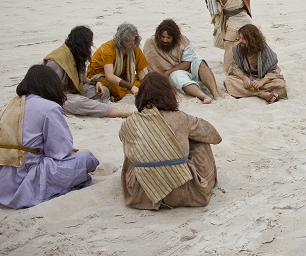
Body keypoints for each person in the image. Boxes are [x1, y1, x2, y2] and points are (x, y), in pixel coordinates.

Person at [0, 64, 99, 209]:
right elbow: (60, 151)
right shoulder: (49, 107)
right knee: (87, 158)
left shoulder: (12, 103)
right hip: (22, 177)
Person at [119, 72, 221, 210]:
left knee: (133, 152)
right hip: (183, 189)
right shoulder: (181, 118)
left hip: (142, 194)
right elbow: (214, 136)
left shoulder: (129, 123)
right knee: (200, 143)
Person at [206, 0, 291, 74]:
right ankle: (225, 71)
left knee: (254, 39)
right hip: (226, 18)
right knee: (228, 43)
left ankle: (266, 60)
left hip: (241, 17)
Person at [44, 26, 132, 118]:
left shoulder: (77, 55)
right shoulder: (56, 61)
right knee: (78, 102)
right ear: (82, 44)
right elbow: (50, 91)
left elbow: (83, 80)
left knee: (103, 91)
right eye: (90, 43)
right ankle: (118, 113)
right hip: (59, 97)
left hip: (74, 91)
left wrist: (96, 82)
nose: (91, 46)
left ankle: (95, 107)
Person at [143, 19, 222, 104]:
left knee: (199, 62)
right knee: (177, 75)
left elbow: (188, 62)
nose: (165, 40)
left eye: (168, 38)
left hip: (185, 70)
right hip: (170, 77)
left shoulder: (183, 41)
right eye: (162, 37)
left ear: (174, 38)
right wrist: (165, 74)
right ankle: (204, 96)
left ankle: (216, 95)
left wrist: (168, 72)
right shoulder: (151, 43)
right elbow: (144, 64)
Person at [224, 23, 287, 103]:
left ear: (251, 39)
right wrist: (245, 79)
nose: (240, 41)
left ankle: (252, 92)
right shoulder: (237, 50)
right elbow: (235, 68)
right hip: (247, 79)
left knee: (280, 83)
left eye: (243, 39)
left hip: (263, 79)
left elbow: (273, 69)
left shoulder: (265, 49)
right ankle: (262, 94)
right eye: (240, 38)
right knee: (229, 80)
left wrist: (261, 82)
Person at [87, 22, 148, 101]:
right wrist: (131, 86)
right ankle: (115, 96)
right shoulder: (108, 48)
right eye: (127, 40)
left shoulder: (135, 48)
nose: (131, 43)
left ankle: (115, 97)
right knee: (115, 87)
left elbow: (140, 71)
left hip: (123, 78)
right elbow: (109, 76)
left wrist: (146, 85)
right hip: (101, 76)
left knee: (140, 84)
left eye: (133, 40)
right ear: (120, 40)